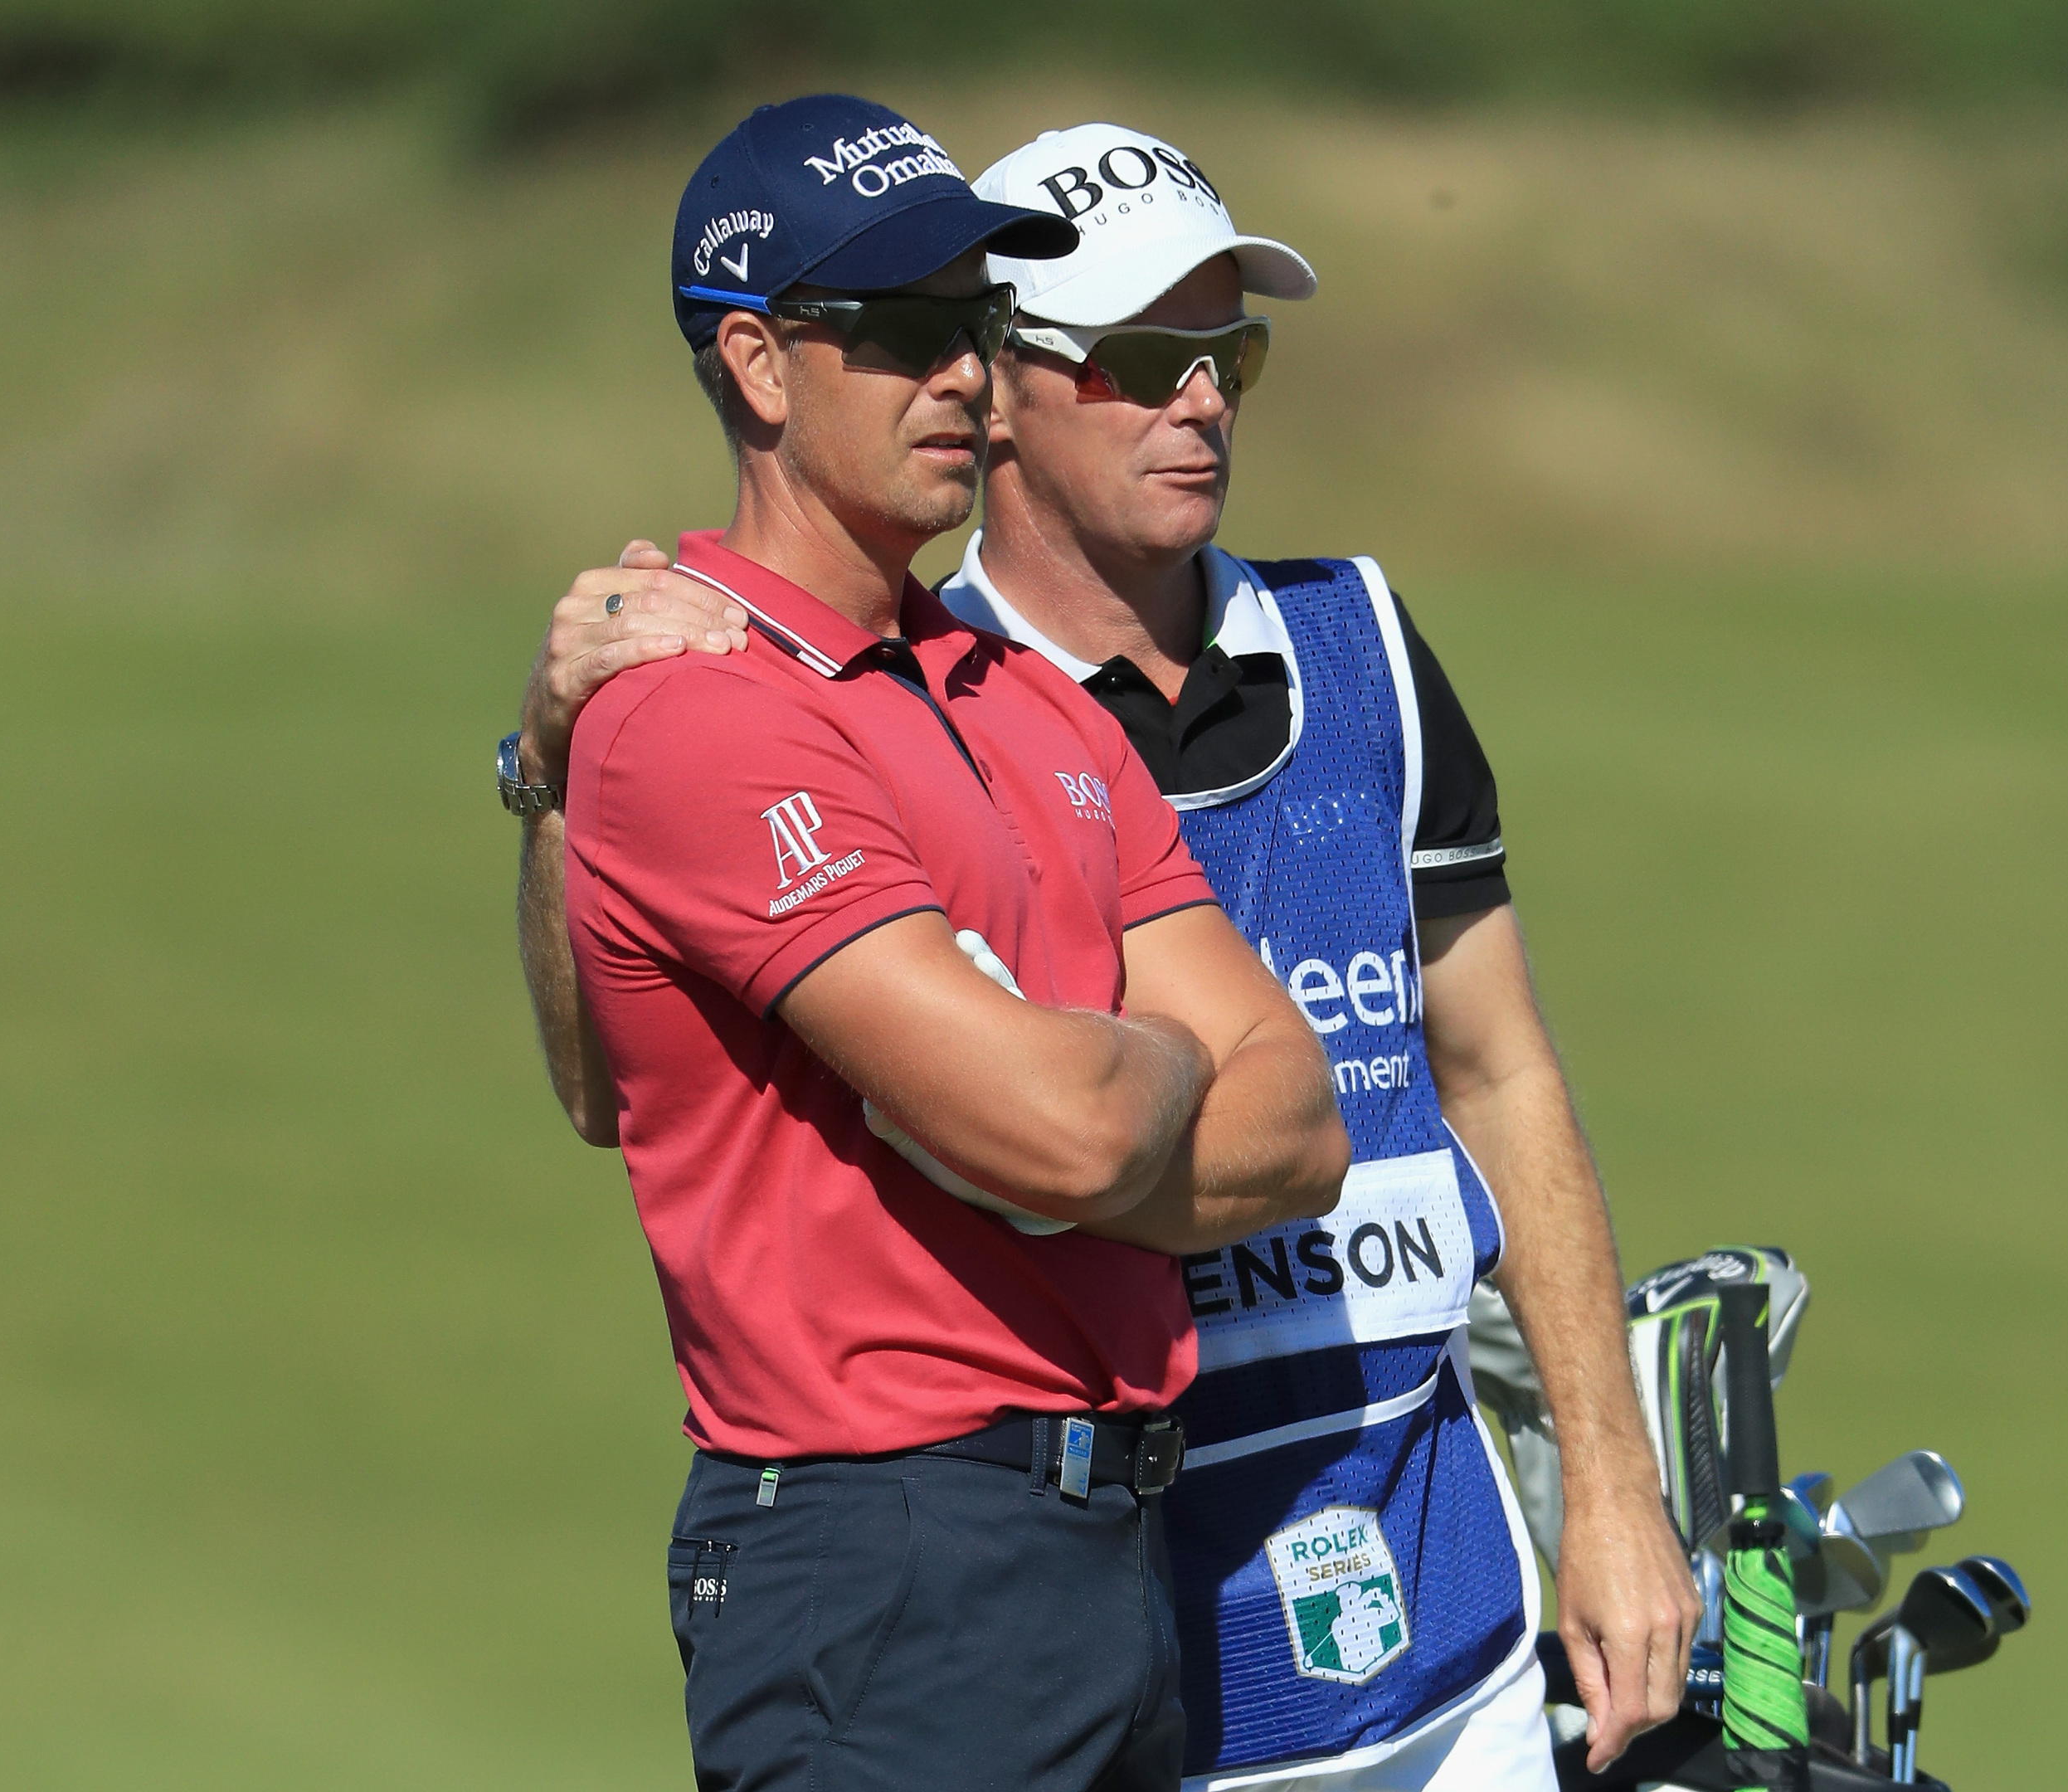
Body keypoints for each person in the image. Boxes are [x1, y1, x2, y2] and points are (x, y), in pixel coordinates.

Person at [514, 121, 1696, 1789]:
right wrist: (544, 755)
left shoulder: (1066, 701)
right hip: (958, 1550)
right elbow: (649, 1087)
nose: (1200, 400)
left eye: (1231, 357)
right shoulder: (742, 702)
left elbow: (1360, 1104)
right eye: (1142, 359)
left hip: (1290, 1556)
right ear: (767, 366)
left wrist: (1614, 1487)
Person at [501, 95, 1350, 1792]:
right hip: (883, 1561)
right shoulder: (699, 710)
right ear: (755, 363)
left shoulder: (1030, 697)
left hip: (1104, 1555)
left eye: (974, 326)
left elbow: (1299, 1125)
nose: (963, 376)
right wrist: (1122, 1085)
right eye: (898, 331)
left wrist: (1093, 1093)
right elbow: (1070, 1126)